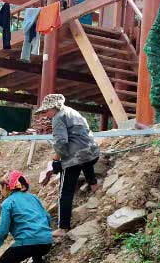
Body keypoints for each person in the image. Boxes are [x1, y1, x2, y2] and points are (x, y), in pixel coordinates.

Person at [33, 93, 100, 235]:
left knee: (65, 192)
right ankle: (94, 186)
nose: (46, 114)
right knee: (85, 162)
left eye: (46, 111)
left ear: (54, 108)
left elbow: (61, 143)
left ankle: (63, 227)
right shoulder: (72, 112)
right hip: (92, 153)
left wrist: (55, 160)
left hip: (76, 159)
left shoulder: (58, 118)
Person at [0, 170, 53, 263]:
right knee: (36, 253)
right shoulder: (33, 197)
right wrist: (44, 235)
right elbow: (47, 217)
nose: (1, 191)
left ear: (6, 186)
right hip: (47, 242)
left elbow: (2, 231)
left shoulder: (8, 203)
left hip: (26, 243)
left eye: (1, 186)